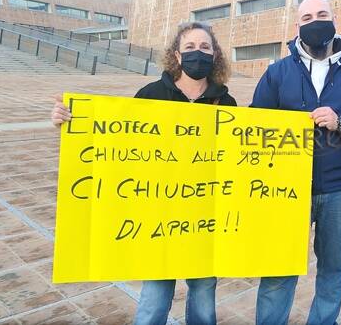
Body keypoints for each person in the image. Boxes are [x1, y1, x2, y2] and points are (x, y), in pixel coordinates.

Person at [51, 22, 237, 325]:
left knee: (204, 296)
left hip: (205, 217)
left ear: (215, 54)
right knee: (154, 301)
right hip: (158, 218)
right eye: (189, 48)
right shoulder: (150, 94)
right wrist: (68, 120)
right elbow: (119, 145)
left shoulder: (227, 103)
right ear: (177, 55)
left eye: (205, 47)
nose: (197, 53)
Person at [250, 0, 341, 325]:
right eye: (308, 16)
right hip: (287, 190)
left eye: (322, 14)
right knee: (278, 270)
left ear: (334, 19)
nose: (316, 21)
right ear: (297, 26)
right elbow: (255, 125)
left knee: (334, 269)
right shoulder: (277, 73)